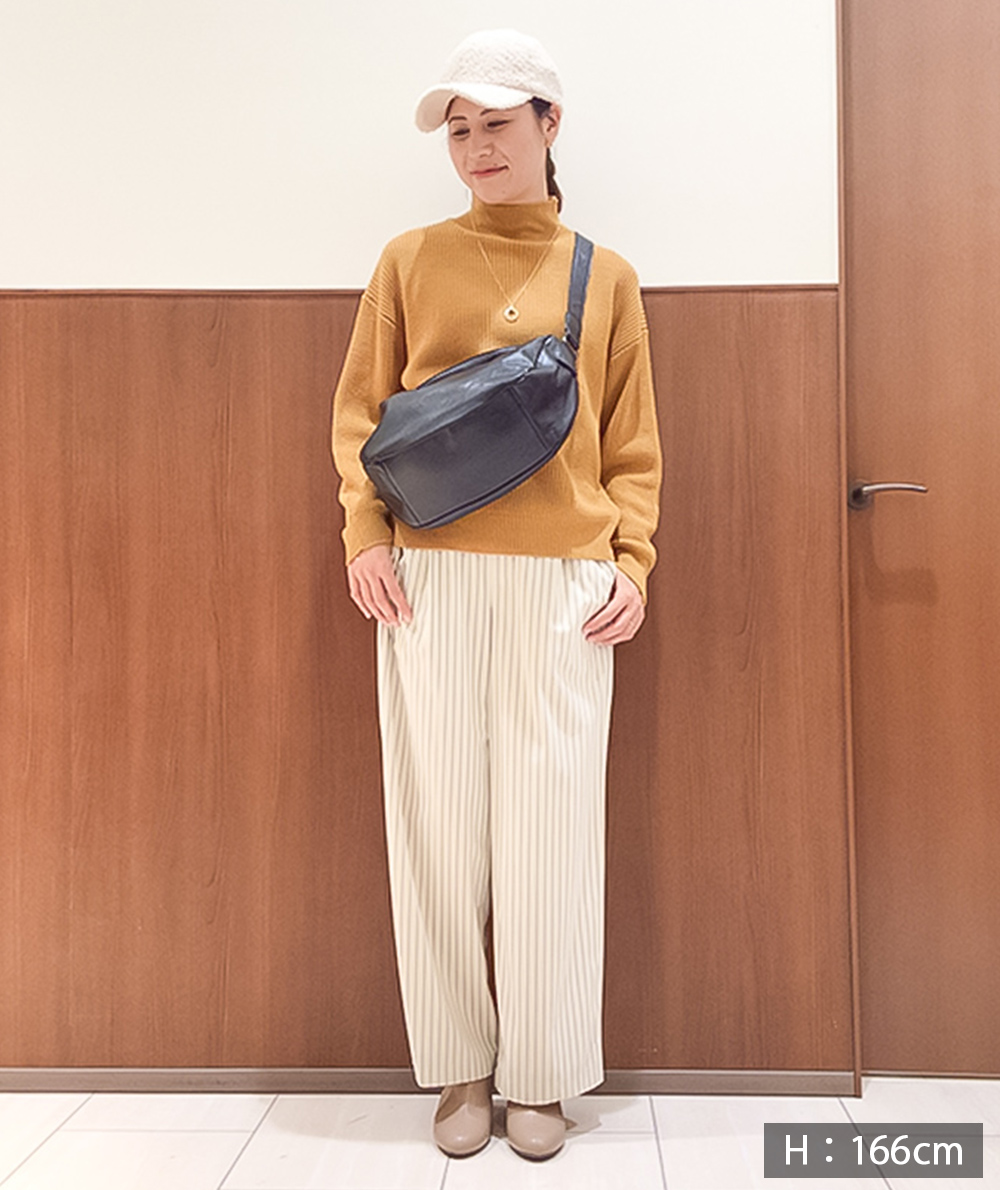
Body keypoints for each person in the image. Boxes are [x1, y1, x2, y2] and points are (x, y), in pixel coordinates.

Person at [330, 27, 662, 1162]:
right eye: (459, 130)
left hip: (565, 583)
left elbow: (632, 445)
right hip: (426, 575)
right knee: (434, 827)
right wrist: (364, 534)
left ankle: (543, 1074)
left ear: (549, 125)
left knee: (551, 834)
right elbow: (360, 415)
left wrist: (631, 562)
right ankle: (460, 1067)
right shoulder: (409, 260)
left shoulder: (603, 275)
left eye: (498, 124)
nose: (476, 146)